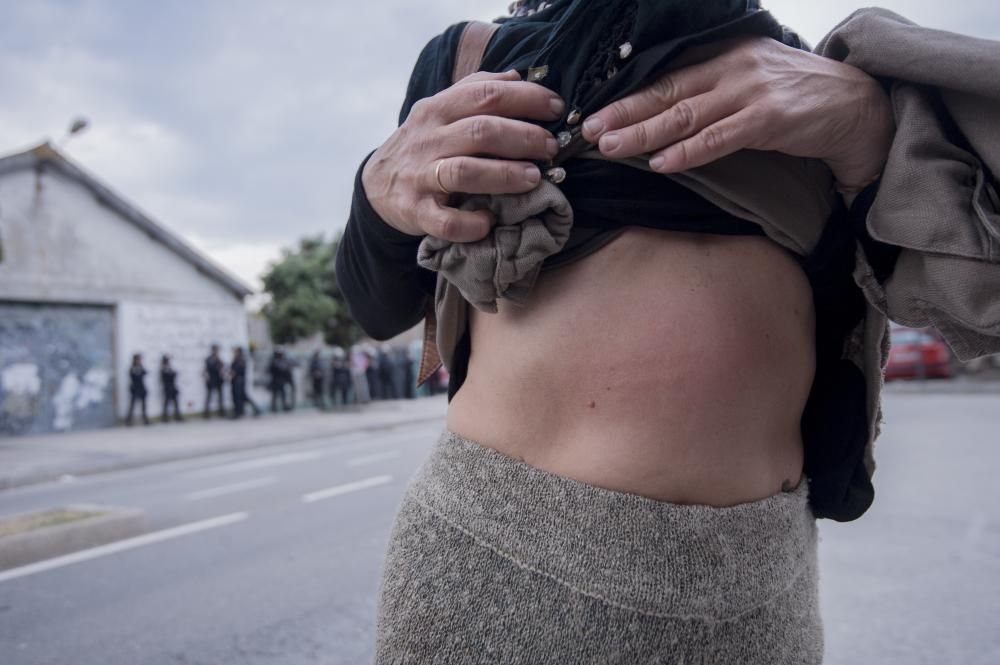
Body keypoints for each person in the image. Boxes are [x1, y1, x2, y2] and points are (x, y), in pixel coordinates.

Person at [337, 2, 1000, 662]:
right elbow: (378, 302)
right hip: (485, 568)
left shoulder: (815, 76)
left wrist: (871, 128)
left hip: (753, 595)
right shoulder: (468, 62)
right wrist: (375, 192)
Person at [230, 346, 261, 418]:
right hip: (236, 381)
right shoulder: (237, 359)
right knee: (243, 397)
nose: (234, 353)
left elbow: (238, 371)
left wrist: (233, 373)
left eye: (235, 351)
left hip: (239, 382)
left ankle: (238, 413)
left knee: (239, 397)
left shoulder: (241, 360)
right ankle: (255, 410)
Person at [125, 353, 150, 426]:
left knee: (144, 405)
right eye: (138, 359)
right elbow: (133, 376)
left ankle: (145, 420)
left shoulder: (141, 367)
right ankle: (128, 421)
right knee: (132, 405)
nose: (140, 361)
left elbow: (145, 373)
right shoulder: (132, 368)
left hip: (142, 388)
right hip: (135, 388)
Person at [202, 344, 226, 418]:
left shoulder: (218, 359)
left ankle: (221, 412)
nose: (216, 352)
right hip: (211, 380)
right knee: (209, 397)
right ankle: (206, 413)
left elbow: (221, 367)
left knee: (220, 397)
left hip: (218, 380)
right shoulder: (209, 359)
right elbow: (211, 368)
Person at [159, 355, 183, 422]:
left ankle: (177, 415)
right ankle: (165, 417)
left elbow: (174, 374)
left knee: (176, 402)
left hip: (173, 387)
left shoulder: (169, 368)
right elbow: (167, 377)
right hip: (167, 388)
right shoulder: (163, 369)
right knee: (166, 403)